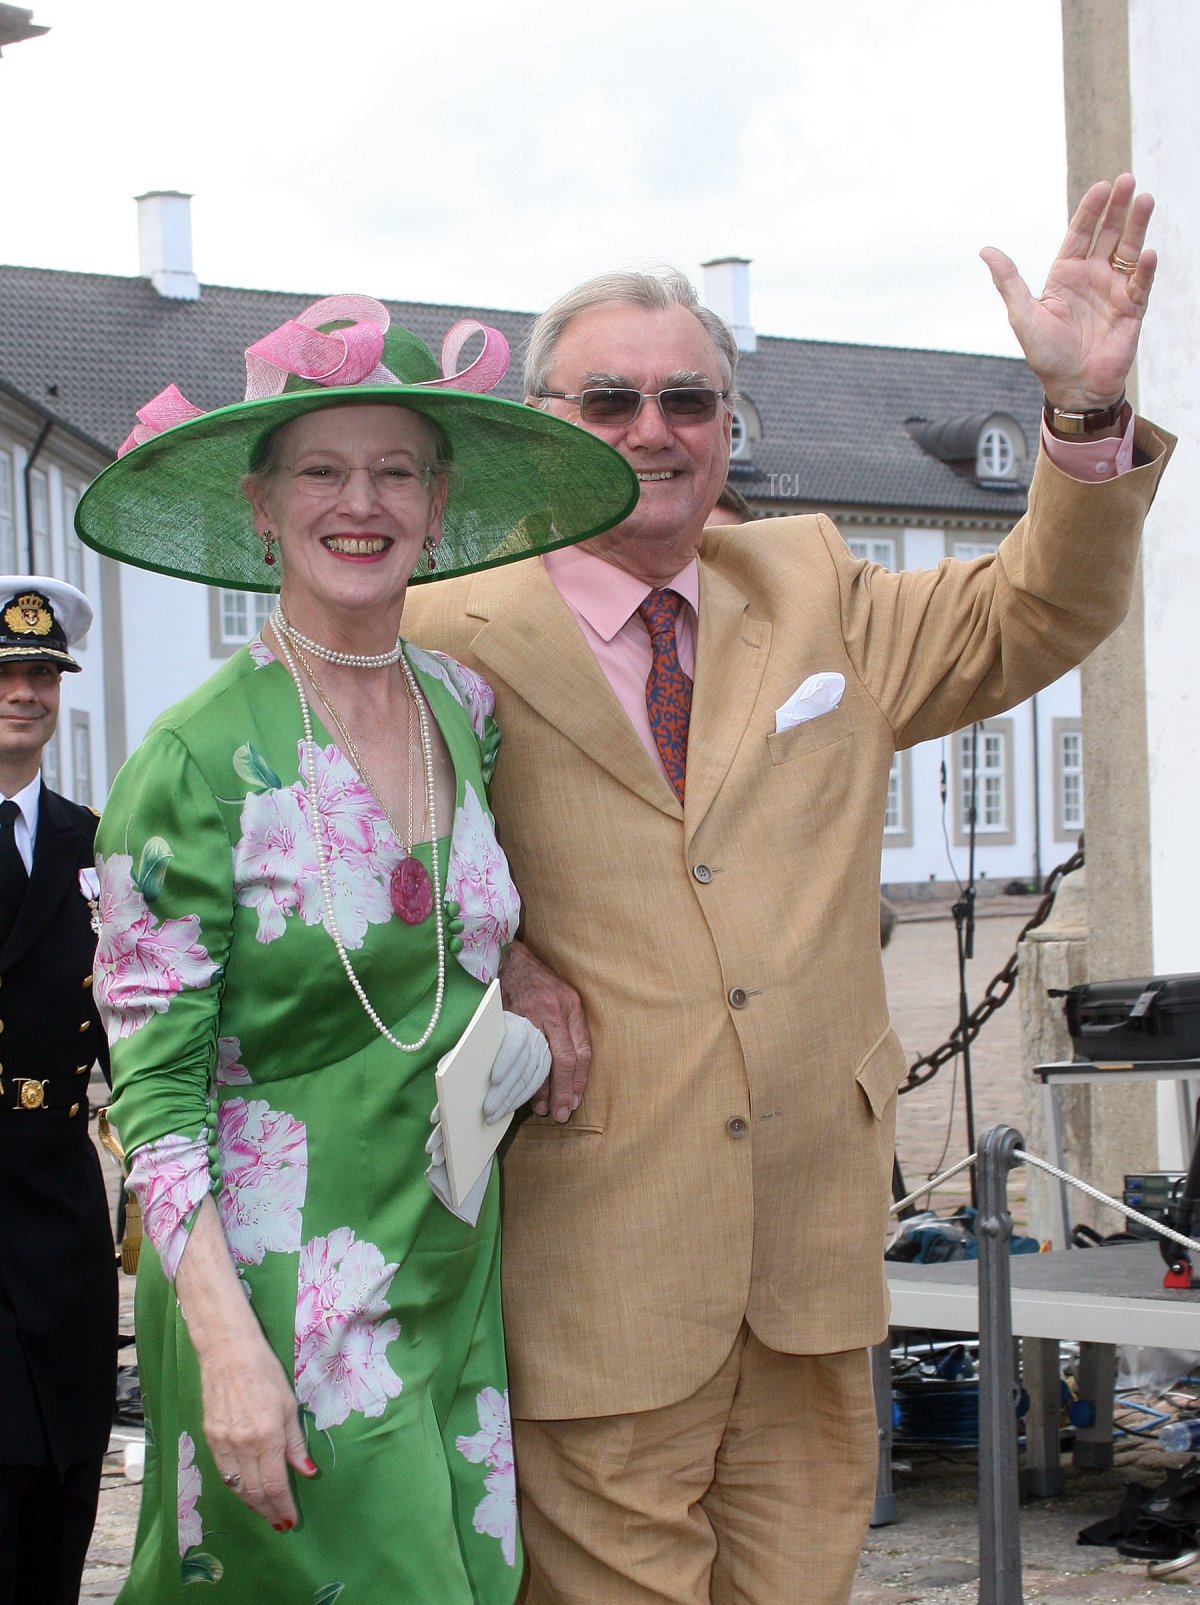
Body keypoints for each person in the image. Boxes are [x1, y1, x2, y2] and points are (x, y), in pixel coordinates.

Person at [404, 175, 1174, 1603]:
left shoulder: (815, 586)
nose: (654, 429)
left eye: (689, 401)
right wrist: (501, 957)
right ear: (539, 425)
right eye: (609, 401)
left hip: (810, 1269)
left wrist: (1077, 416)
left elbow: (1038, 610)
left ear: (727, 425)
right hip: (599, 1259)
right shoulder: (443, 628)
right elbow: (358, 873)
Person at [73, 295, 635, 1602]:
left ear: (438, 504)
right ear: (262, 505)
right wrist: (225, 1349)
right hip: (278, 1291)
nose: (360, 501)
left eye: (394, 470)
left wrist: (527, 963)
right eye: (322, 470)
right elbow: (149, 1106)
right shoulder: (193, 759)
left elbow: (447, 913)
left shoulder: (463, 708)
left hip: (445, 1258)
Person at [0, 577, 117, 1605]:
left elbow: (144, 1033)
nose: (23, 691)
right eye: (4, 673)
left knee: (59, 1498)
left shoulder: (100, 847)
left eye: (40, 673)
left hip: (57, 1217)